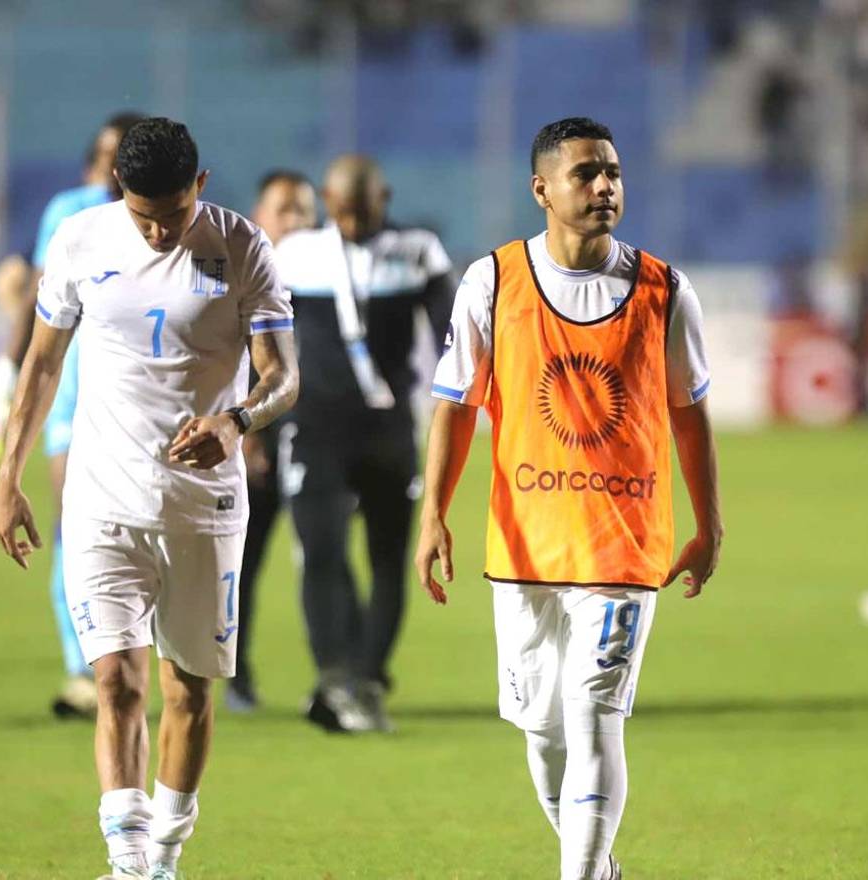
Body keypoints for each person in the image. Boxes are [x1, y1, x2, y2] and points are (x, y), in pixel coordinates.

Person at [414, 117, 723, 880]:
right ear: (541, 189)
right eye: (585, 174)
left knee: (594, 717)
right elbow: (455, 405)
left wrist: (709, 524)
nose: (603, 186)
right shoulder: (492, 282)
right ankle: (598, 864)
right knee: (541, 729)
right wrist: (433, 515)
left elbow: (689, 413)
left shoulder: (664, 290)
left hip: (623, 546)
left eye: (612, 172)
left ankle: (578, 873)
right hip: (523, 546)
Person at [0, 117, 298, 879]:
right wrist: (9, 478)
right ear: (118, 195)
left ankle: (165, 854)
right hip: (102, 496)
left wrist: (236, 421)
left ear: (201, 184)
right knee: (115, 680)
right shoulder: (81, 242)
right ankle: (129, 864)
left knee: (187, 691)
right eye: (141, 215)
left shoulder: (242, 247)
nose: (158, 232)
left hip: (202, 505)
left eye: (172, 214)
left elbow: (283, 375)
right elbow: (39, 367)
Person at [274, 154, 454, 733]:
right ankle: (334, 676)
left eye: (362, 210)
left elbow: (453, 327)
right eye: (342, 211)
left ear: (386, 196)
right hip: (315, 425)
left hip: (389, 428)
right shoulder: (297, 254)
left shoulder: (418, 250)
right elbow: (262, 335)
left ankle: (370, 678)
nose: (351, 223)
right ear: (326, 199)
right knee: (320, 550)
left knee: (389, 557)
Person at [0, 112, 145, 718]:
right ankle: (85, 666)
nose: (113, 168)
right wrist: (7, 376)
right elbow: (38, 293)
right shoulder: (72, 214)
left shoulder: (167, 221)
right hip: (71, 396)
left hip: (142, 404)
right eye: (105, 155)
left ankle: (133, 656)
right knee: (72, 526)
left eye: (123, 156)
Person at [225, 169, 317, 712]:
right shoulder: (243, 279)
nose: (296, 220)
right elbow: (232, 362)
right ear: (260, 218)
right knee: (242, 562)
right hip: (257, 432)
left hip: (316, 442)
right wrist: (246, 431)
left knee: (320, 558)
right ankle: (234, 677)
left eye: (304, 210)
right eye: (284, 209)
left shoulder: (328, 277)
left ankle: (334, 677)